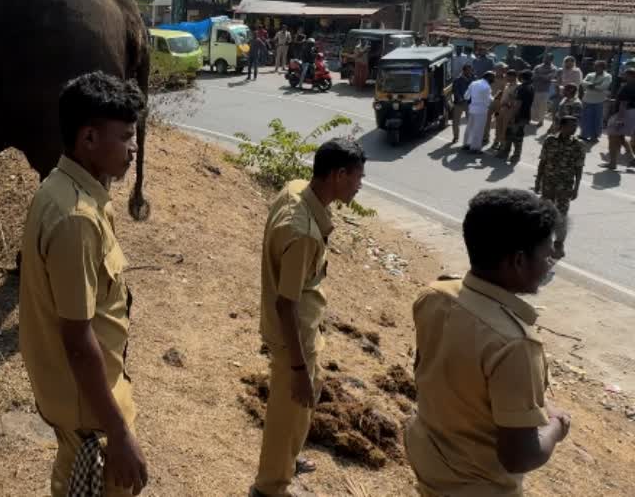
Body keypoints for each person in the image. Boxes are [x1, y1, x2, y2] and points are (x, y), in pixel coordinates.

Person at [19, 71, 148, 497]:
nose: (134, 148)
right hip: (90, 413)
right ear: (89, 139)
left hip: (88, 399)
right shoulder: (75, 217)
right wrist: (119, 433)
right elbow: (77, 338)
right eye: (127, 136)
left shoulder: (66, 190)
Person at [406, 188, 569, 497]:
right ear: (519, 261)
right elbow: (519, 456)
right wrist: (557, 426)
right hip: (475, 485)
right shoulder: (514, 344)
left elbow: (443, 375)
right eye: (546, 254)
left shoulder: (435, 295)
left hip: (429, 459)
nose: (549, 264)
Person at [251, 139, 366, 497]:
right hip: (293, 340)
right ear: (338, 174)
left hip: (306, 333)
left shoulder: (297, 190)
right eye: (357, 178)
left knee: (302, 408)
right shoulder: (302, 233)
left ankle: (287, 460)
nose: (360, 186)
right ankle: (270, 486)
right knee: (289, 414)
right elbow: (287, 305)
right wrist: (298, 369)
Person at [535, 115, 587, 259]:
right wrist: (538, 181)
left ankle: (559, 244)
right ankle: (543, 243)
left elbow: (579, 168)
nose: (574, 129)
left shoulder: (579, 145)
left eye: (576, 126)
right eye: (571, 126)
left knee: (562, 215)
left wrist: (576, 188)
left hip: (565, 186)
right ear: (562, 126)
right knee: (544, 213)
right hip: (548, 184)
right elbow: (543, 161)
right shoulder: (550, 140)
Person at [498, 71, 535, 164]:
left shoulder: (522, 88)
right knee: (513, 134)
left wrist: (512, 116)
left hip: (518, 115)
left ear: (521, 78)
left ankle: (514, 155)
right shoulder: (531, 87)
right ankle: (508, 153)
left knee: (515, 136)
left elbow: (518, 104)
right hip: (525, 114)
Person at [602, 67, 635, 170]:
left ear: (631, 76)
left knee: (612, 137)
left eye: (625, 74)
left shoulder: (628, 86)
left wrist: (620, 119)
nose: (623, 76)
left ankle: (613, 163)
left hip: (623, 114)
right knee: (620, 136)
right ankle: (631, 157)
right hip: (631, 113)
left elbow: (623, 103)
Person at [580, 60, 612, 143]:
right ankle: (584, 134)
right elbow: (583, 83)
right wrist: (592, 85)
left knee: (596, 119)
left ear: (603, 67)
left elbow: (603, 87)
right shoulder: (590, 74)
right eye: (595, 66)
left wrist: (590, 86)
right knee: (585, 118)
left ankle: (594, 136)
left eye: (598, 66)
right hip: (587, 99)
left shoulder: (607, 76)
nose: (596, 67)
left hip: (598, 101)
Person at [464, 72, 495, 153]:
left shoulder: (474, 83)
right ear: (488, 77)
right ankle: (475, 148)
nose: (494, 80)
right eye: (493, 77)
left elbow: (466, 96)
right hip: (481, 111)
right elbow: (488, 101)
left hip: (472, 109)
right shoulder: (486, 87)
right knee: (479, 129)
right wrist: (494, 99)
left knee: (470, 127)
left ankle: (467, 144)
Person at [489, 69, 517, 153]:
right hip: (501, 108)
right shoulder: (507, 85)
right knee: (498, 127)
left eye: (508, 76)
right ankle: (496, 142)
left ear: (513, 77)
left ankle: (503, 146)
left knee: (505, 129)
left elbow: (515, 100)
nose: (506, 78)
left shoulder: (517, 86)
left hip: (508, 110)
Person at [531, 55, 558, 126]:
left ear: (552, 59)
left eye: (548, 58)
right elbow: (533, 76)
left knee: (542, 106)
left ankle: (541, 121)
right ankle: (532, 119)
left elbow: (549, 77)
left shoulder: (554, 68)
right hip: (535, 88)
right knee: (533, 105)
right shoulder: (538, 67)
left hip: (544, 90)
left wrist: (539, 75)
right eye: (545, 58)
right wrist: (543, 76)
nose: (546, 60)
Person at [450, 64, 474, 145]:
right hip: (459, 103)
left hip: (469, 103)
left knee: (470, 122)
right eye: (468, 70)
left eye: (470, 70)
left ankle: (469, 138)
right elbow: (455, 90)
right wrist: (460, 98)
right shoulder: (457, 80)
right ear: (464, 71)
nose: (470, 71)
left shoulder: (473, 79)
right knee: (455, 122)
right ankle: (456, 137)